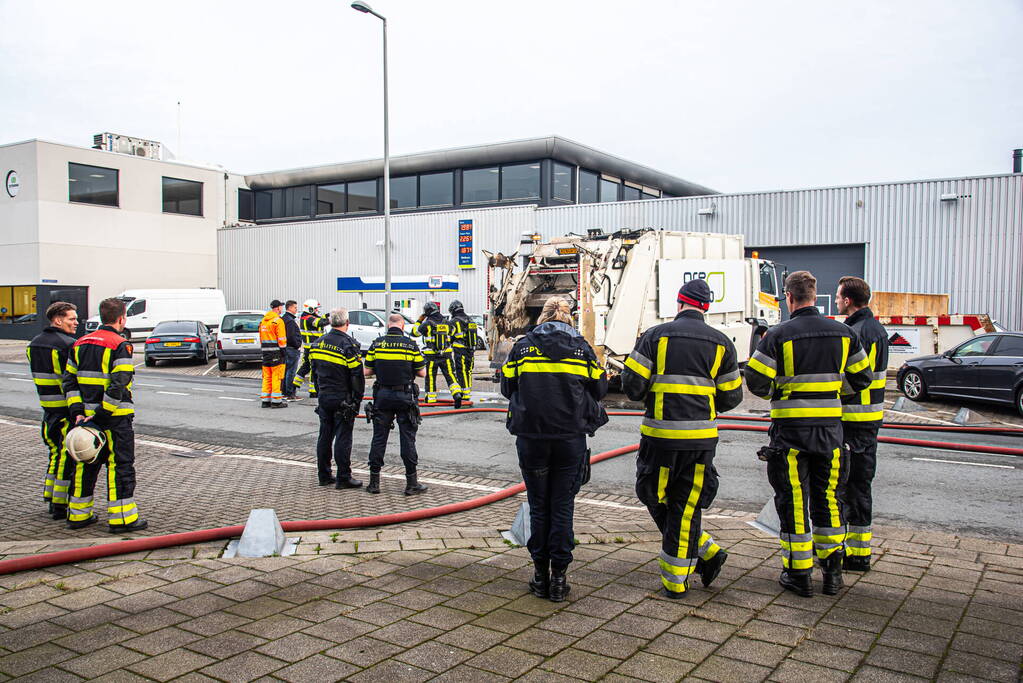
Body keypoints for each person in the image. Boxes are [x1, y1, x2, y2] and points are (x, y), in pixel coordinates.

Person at [745, 271, 872, 597]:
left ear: (789, 297)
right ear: (815, 296)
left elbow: (757, 381)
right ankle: (832, 573)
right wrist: (831, 391)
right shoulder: (844, 333)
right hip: (830, 433)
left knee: (793, 501)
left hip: (790, 435)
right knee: (829, 499)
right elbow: (862, 378)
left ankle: (798, 574)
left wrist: (783, 389)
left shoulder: (777, 335)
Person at [621, 280, 744, 598]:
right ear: (706, 308)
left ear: (678, 303)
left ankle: (685, 572)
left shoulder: (654, 336)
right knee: (686, 505)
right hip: (700, 441)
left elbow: (632, 386)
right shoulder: (721, 343)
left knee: (653, 495)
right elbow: (732, 398)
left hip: (660, 439)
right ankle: (700, 555)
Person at [501, 296, 608, 602]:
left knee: (538, 505)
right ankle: (559, 579)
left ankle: (539, 574)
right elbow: (599, 389)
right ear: (568, 318)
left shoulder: (521, 348)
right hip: (569, 439)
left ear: (543, 318)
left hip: (531, 439)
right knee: (562, 506)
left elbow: (507, 387)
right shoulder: (582, 348)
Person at [61, 297, 147, 532]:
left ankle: (78, 515)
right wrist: (102, 415)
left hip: (84, 419)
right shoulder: (120, 344)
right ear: (121, 318)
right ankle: (122, 519)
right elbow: (119, 384)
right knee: (120, 465)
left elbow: (69, 381)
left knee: (84, 464)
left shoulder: (79, 343)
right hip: (114, 418)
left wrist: (78, 412)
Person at [836, 276, 889, 572]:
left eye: (839, 296)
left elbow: (854, 379)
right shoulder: (876, 330)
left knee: (846, 486)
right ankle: (859, 551)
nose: (836, 300)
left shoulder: (856, 333)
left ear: (847, 300)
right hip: (868, 421)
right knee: (861, 485)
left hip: (853, 421)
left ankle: (850, 553)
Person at [364, 314, 428, 495]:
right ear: (401, 326)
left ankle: (374, 483)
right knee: (407, 438)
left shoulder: (377, 344)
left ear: (388, 326)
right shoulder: (410, 345)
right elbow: (422, 372)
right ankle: (411, 483)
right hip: (404, 396)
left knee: (379, 438)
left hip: (382, 396)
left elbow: (367, 370)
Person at [27, 301, 79, 520]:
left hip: (48, 409)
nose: (76, 323)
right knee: (67, 456)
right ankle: (59, 504)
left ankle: (50, 495)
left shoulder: (34, 344)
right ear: (58, 320)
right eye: (72, 319)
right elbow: (71, 379)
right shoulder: (67, 345)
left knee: (55, 454)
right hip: (65, 409)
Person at [310, 308, 364, 489]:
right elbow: (357, 375)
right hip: (343, 397)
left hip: (325, 396)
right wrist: (357, 400)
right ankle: (343, 477)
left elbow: (314, 373)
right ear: (347, 323)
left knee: (324, 436)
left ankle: (323, 475)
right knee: (343, 437)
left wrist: (319, 393)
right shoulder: (348, 345)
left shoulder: (317, 344)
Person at [411, 302, 463, 406]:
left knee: (430, 376)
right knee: (450, 375)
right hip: (446, 354)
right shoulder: (446, 322)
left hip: (431, 356)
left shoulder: (427, 323)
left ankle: (431, 399)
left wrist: (419, 320)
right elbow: (453, 333)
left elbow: (414, 333)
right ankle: (457, 393)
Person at [293, 299, 328, 399]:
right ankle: (313, 391)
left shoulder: (307, 316)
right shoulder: (308, 318)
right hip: (312, 347)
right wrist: (332, 319)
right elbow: (320, 322)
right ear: (311, 309)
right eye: (316, 309)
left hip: (311, 347)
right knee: (313, 368)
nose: (317, 311)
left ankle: (294, 385)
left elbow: (320, 318)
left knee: (306, 366)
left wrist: (328, 315)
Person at [259, 300, 288, 408]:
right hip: (276, 353)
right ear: (277, 308)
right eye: (281, 306)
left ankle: (265, 400)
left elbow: (261, 338)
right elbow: (281, 339)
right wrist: (284, 351)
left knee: (267, 376)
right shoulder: (278, 321)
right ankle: (276, 401)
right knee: (276, 376)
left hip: (265, 352)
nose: (282, 308)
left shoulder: (263, 321)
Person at [448, 300, 478, 402]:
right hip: (471, 350)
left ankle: (464, 394)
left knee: (461, 371)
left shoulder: (454, 321)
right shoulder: (471, 320)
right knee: (468, 371)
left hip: (460, 351)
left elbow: (449, 336)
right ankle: (467, 392)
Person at [281, 300, 303, 401]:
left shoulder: (284, 319)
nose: (296, 309)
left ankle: (285, 392)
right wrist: (297, 345)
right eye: (295, 307)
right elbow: (290, 336)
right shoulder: (289, 320)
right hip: (292, 349)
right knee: (291, 371)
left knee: (286, 371)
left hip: (286, 348)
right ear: (289, 308)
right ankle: (290, 394)